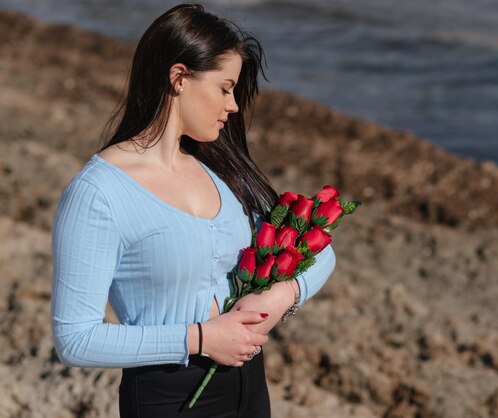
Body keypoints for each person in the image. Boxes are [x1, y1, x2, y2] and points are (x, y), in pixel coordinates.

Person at [50, 4, 336, 417]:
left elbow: (320, 250)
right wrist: (199, 339)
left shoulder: (222, 169)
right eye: (224, 88)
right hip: (168, 400)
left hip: (250, 389)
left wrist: (279, 298)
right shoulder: (99, 193)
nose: (234, 105)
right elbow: (75, 340)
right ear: (179, 78)